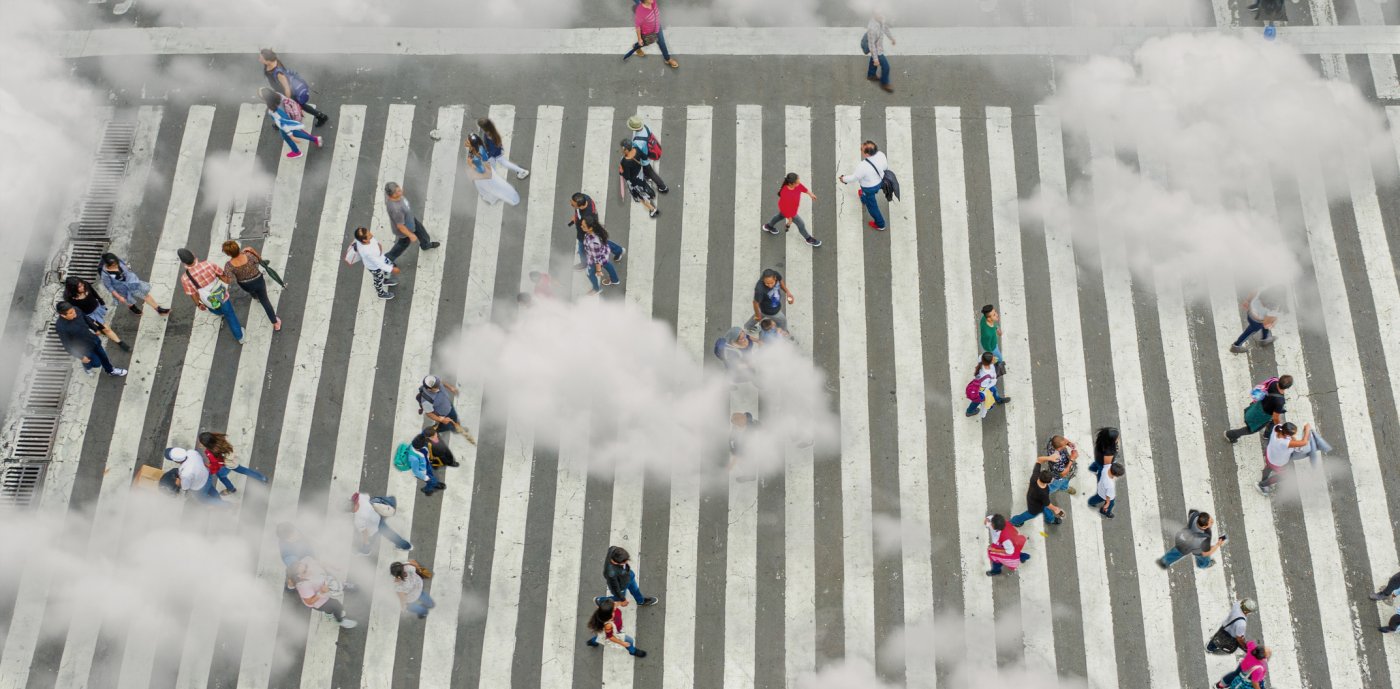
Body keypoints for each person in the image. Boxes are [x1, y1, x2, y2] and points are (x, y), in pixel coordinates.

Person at [178, 247, 244, 343]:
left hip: (207, 298)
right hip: (220, 293)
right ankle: (240, 337)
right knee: (230, 315)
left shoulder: (185, 278)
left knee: (214, 307)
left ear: (183, 262)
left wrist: (198, 304)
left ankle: (220, 313)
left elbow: (193, 294)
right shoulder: (208, 264)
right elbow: (223, 276)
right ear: (193, 255)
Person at [220, 240, 281, 331]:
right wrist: (252, 250)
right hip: (258, 280)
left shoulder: (229, 266)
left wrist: (219, 275)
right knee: (265, 301)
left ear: (228, 254)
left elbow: (228, 281)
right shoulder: (249, 255)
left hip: (245, 284)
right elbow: (259, 260)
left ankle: (255, 297)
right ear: (238, 247)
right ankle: (275, 323)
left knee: (252, 291)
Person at [54, 302, 127, 377]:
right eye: (71, 313)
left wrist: (95, 329)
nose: (75, 313)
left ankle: (110, 371)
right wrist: (81, 357)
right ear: (63, 315)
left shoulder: (76, 309)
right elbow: (67, 346)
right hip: (84, 349)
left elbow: (86, 318)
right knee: (97, 363)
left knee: (103, 356)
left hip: (93, 340)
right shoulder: (61, 327)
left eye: (73, 310)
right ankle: (87, 367)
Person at [259, 49, 329, 126]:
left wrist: (287, 101)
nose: (259, 59)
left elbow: (287, 88)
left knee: (295, 106)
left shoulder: (279, 74)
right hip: (279, 91)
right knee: (288, 106)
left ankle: (321, 116)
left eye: (261, 58)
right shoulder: (270, 63)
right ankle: (281, 121)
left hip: (288, 93)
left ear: (268, 60)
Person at [1259, 421, 1332, 494]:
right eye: (1293, 433)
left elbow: (1289, 438)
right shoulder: (1284, 443)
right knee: (1283, 476)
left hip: (1269, 454)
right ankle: (1262, 485)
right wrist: (1307, 430)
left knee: (1269, 466)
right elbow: (1304, 442)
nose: (1294, 435)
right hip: (1276, 462)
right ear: (1287, 434)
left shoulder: (1278, 427)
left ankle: (1264, 478)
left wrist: (1292, 438)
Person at [289, 558, 358, 629]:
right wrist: (321, 592)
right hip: (319, 601)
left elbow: (320, 563)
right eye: (305, 571)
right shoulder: (303, 586)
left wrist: (333, 567)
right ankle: (340, 620)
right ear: (299, 576)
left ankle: (342, 587)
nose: (309, 570)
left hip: (325, 584)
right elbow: (309, 601)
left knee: (335, 584)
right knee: (336, 605)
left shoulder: (307, 562)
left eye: (306, 566)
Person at [64, 276, 128, 351]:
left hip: (97, 307)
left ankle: (102, 330)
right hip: (89, 316)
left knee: (102, 327)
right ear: (73, 289)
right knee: (106, 329)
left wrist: (101, 302)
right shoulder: (70, 299)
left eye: (82, 285)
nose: (82, 287)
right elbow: (78, 311)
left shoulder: (86, 284)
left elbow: (94, 293)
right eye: (79, 287)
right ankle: (119, 342)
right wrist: (89, 321)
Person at [383, 182, 442, 262]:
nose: (401, 191)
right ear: (392, 195)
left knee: (423, 234)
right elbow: (400, 226)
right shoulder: (396, 210)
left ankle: (425, 245)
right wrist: (410, 235)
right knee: (402, 244)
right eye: (398, 191)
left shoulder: (391, 196)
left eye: (399, 189)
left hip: (409, 220)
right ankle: (388, 259)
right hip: (405, 229)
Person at [838, 140, 890, 231]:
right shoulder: (881, 155)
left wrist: (843, 179)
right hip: (880, 182)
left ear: (866, 154)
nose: (860, 149)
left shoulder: (863, 166)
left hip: (869, 188)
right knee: (866, 194)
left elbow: (855, 177)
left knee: (872, 206)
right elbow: (885, 167)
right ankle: (863, 197)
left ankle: (880, 224)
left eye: (861, 149)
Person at [197, 431, 269, 495]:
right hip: (232, 461)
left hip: (225, 465)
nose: (199, 443)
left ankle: (231, 489)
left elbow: (215, 465)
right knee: (244, 470)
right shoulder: (218, 439)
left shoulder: (209, 452)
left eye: (201, 442)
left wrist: (209, 469)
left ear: (207, 444)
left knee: (222, 477)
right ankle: (262, 478)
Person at [1224, 375, 1291, 444]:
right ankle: (1230, 434)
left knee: (1271, 422)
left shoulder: (1273, 381)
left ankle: (1267, 434)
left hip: (1259, 405)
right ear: (1288, 387)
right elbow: (1275, 417)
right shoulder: (1280, 402)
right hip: (1263, 415)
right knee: (1251, 429)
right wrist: (1279, 426)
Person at [99, 253, 170, 316]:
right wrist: (119, 297)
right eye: (113, 265)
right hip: (122, 290)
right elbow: (110, 287)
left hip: (132, 283)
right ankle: (133, 308)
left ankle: (158, 309)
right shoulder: (105, 275)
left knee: (145, 295)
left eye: (116, 263)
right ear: (107, 265)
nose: (116, 265)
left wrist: (128, 270)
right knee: (129, 301)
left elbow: (125, 265)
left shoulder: (118, 260)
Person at [762, 173, 820, 247]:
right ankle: (808, 239)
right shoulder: (785, 193)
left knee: (779, 216)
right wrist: (789, 218)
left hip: (791, 210)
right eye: (797, 182)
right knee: (801, 224)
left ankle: (768, 226)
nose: (799, 183)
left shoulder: (796, 185)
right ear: (791, 184)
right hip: (790, 212)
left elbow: (801, 187)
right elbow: (783, 207)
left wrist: (810, 194)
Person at [568, 194, 624, 270]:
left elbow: (588, 227)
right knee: (601, 242)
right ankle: (618, 250)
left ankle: (584, 264)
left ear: (581, 206)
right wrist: (576, 216)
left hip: (586, 232)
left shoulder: (587, 216)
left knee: (586, 246)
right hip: (586, 227)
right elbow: (578, 211)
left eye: (573, 205)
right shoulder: (584, 198)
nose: (570, 204)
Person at [462, 134, 520, 207]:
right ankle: (490, 197)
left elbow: (487, 171)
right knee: (483, 189)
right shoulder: (472, 149)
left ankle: (501, 197)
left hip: (484, 175)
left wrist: (473, 168)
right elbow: (471, 159)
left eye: (468, 142)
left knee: (492, 188)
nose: (466, 142)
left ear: (472, 144)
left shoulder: (481, 151)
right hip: (478, 174)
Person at [262, 90, 321, 159]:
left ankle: (298, 151)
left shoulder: (272, 111)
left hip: (286, 126)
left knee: (289, 137)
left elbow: (283, 123)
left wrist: (290, 135)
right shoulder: (279, 95)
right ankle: (311, 142)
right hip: (291, 116)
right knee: (297, 132)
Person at [595, 545, 659, 608]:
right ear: (616, 563)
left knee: (635, 590)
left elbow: (611, 548)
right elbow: (615, 589)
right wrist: (623, 600)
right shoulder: (611, 574)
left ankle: (640, 601)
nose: (627, 562)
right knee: (617, 598)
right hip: (622, 585)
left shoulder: (613, 549)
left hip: (629, 577)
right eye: (624, 562)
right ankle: (601, 600)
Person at [343, 226, 398, 300]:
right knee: (378, 279)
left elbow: (372, 241)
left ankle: (385, 280)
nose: (371, 234)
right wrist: (391, 269)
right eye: (369, 235)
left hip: (380, 257)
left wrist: (379, 245)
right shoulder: (367, 252)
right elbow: (379, 264)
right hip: (374, 267)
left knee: (388, 264)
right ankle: (381, 293)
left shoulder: (362, 240)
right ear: (364, 240)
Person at [1160, 509, 1226, 570]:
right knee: (1203, 558)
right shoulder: (1205, 537)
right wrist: (1218, 544)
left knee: (1177, 551)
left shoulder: (1194, 515)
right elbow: (1205, 553)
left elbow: (1191, 512)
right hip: (1195, 547)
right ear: (1204, 527)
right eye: (1210, 522)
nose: (1212, 521)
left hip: (1183, 539)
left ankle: (1164, 561)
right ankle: (1204, 565)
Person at [622, 0, 678, 69]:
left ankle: (667, 59)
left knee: (661, 42)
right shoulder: (640, 11)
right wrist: (639, 39)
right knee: (646, 42)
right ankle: (636, 46)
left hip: (657, 26)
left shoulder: (652, 2)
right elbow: (638, 26)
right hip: (649, 31)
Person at [625, 116, 668, 193]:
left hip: (644, 157)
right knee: (647, 170)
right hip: (649, 150)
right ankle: (647, 176)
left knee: (650, 171)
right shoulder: (645, 127)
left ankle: (663, 187)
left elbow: (636, 152)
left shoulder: (638, 141)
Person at [618, 140, 659, 218]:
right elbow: (644, 157)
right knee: (643, 184)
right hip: (640, 172)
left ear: (626, 149)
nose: (621, 150)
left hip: (634, 181)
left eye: (622, 148)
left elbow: (627, 176)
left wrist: (621, 171)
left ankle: (652, 209)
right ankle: (650, 193)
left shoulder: (624, 162)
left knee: (640, 196)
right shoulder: (636, 149)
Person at [746, 268, 794, 333]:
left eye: (772, 283)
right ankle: (784, 332)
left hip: (765, 307)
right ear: (763, 280)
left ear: (775, 278)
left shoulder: (776, 274)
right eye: (767, 283)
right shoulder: (759, 289)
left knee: (757, 317)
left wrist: (787, 292)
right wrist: (758, 314)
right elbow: (755, 303)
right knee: (783, 321)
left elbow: (780, 281)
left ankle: (748, 327)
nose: (770, 286)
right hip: (771, 311)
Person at [965, 352, 1010, 418]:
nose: (995, 358)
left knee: (994, 390)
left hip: (984, 385)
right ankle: (969, 412)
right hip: (983, 389)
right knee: (977, 400)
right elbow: (984, 387)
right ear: (990, 362)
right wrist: (992, 382)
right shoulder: (986, 375)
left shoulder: (981, 359)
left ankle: (998, 400)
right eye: (993, 358)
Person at [582, 221, 622, 295]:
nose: (581, 226)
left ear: (590, 228)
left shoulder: (593, 243)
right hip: (604, 252)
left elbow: (597, 258)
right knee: (607, 264)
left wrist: (598, 270)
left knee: (590, 273)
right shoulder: (598, 230)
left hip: (597, 258)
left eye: (584, 226)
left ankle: (596, 289)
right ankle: (615, 279)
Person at [406, 430, 447, 497]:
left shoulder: (420, 440)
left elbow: (424, 434)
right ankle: (428, 489)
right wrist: (425, 477)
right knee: (431, 480)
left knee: (431, 475)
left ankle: (432, 484)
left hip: (426, 464)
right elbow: (416, 471)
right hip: (422, 471)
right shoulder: (413, 458)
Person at [865, 11, 896, 93]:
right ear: (874, 14)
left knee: (873, 60)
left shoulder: (881, 18)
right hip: (877, 50)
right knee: (886, 67)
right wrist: (876, 59)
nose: (881, 15)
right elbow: (872, 45)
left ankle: (871, 75)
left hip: (879, 46)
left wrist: (891, 38)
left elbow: (885, 28)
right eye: (878, 13)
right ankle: (884, 83)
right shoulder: (872, 28)